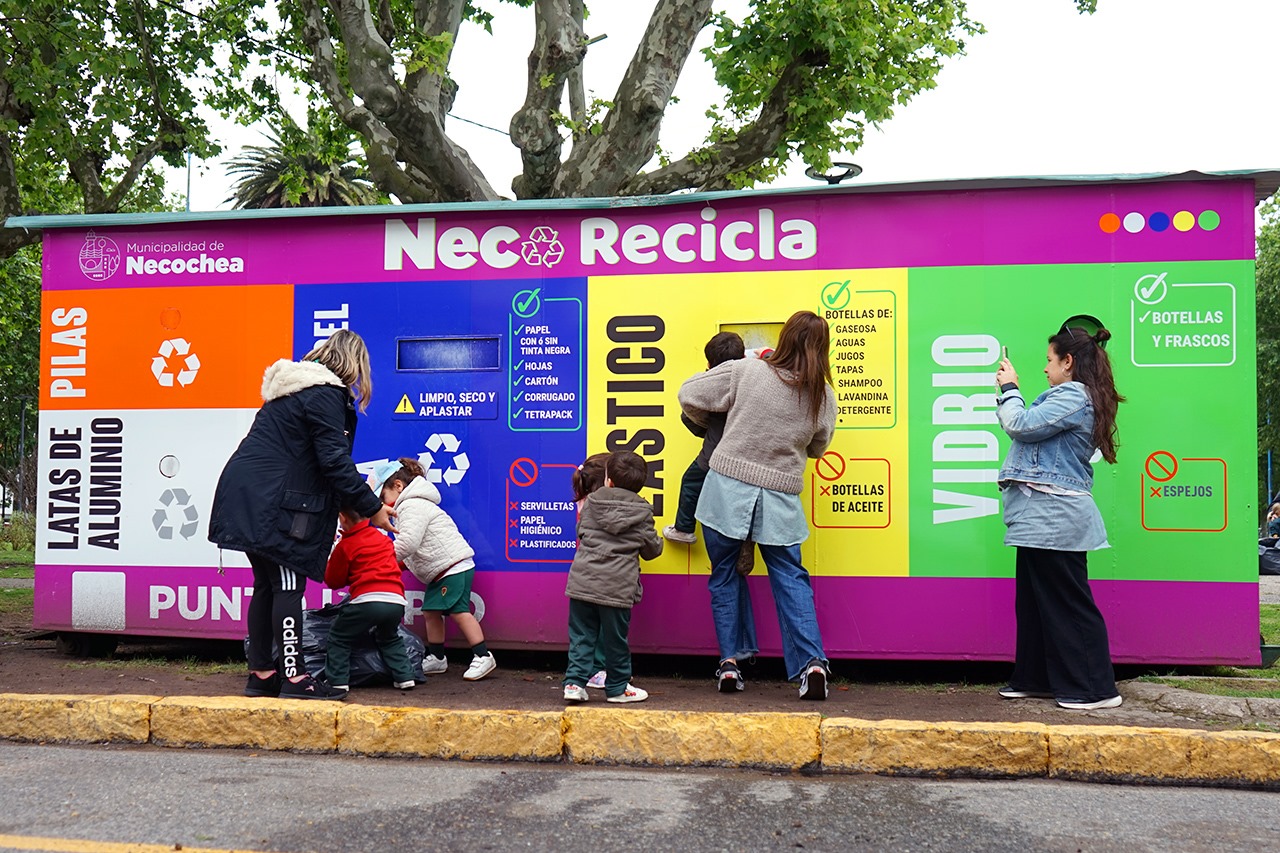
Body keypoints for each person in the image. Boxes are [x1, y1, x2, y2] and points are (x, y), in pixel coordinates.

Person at [209, 329, 394, 701]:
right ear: (352, 364)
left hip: (251, 497)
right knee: (288, 586)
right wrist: (372, 508)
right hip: (274, 505)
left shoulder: (290, 395)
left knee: (267, 586)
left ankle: (262, 674)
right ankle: (294, 679)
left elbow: (310, 462)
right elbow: (334, 462)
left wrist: (349, 501)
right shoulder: (325, 395)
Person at [678, 310, 835, 700]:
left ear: (784, 340)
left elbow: (689, 394)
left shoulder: (747, 371)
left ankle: (731, 664)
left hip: (725, 490)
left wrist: (711, 423)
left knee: (725, 574)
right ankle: (811, 663)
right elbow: (818, 448)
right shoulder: (823, 395)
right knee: (790, 577)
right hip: (780, 496)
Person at [994, 322, 1125, 711]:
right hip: (1039, 515)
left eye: (1050, 361)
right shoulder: (1070, 395)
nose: (1046, 369)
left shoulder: (1072, 396)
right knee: (1034, 603)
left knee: (1067, 602)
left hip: (1056, 515)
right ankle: (1036, 678)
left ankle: (1094, 688)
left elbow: (1019, 425)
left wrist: (1010, 388)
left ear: (1068, 362)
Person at [373, 458, 496, 681]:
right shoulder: (408, 506)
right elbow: (412, 549)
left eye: (383, 496)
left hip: (453, 566)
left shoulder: (412, 505)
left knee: (459, 611)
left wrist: (380, 559)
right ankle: (438, 658)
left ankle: (483, 655)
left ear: (398, 486)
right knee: (431, 612)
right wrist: (394, 564)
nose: (384, 504)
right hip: (442, 570)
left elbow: (408, 544)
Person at [562, 450, 663, 704]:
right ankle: (618, 689)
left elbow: (581, 532)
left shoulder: (591, 504)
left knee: (582, 636)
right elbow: (652, 551)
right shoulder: (642, 513)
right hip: (617, 590)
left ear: (608, 481)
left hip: (582, 583)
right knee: (615, 641)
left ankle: (574, 683)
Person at [664, 332, 759, 579]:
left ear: (709, 364)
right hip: (750, 458)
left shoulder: (712, 385)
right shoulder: (755, 380)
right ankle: (747, 537)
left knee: (690, 483)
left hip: (714, 457)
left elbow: (689, 412)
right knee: (747, 500)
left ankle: (684, 528)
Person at [323, 510, 417, 694]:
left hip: (367, 601)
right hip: (396, 601)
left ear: (342, 517)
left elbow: (333, 581)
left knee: (339, 637)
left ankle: (337, 682)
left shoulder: (346, 545)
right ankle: (405, 676)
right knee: (389, 637)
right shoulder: (383, 539)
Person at [571, 453, 611, 690]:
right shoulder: (598, 507)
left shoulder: (584, 502)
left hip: (585, 574)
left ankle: (585, 673)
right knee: (604, 627)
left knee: (587, 628)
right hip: (603, 574)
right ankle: (597, 670)